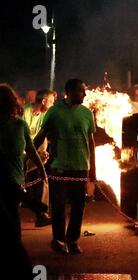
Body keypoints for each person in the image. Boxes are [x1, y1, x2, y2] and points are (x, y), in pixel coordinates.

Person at [34, 79, 96, 255]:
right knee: (59, 205)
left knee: (78, 206)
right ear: (68, 92)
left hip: (80, 166)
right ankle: (59, 240)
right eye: (80, 91)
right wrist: (28, 155)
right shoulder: (54, 112)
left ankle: (73, 240)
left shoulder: (86, 113)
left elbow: (90, 143)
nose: (84, 94)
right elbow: (42, 134)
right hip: (59, 166)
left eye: (84, 91)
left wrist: (93, 171)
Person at [0, 84, 47, 238]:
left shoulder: (20, 125)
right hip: (6, 180)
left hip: (15, 178)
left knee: (13, 222)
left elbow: (31, 149)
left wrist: (42, 169)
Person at [22, 89, 55, 227]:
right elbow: (21, 137)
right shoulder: (25, 112)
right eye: (51, 102)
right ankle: (40, 212)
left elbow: (43, 136)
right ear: (43, 101)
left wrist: (42, 153)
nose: (53, 105)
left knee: (42, 179)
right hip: (22, 151)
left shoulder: (45, 114)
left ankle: (42, 214)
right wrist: (31, 154)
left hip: (34, 152)